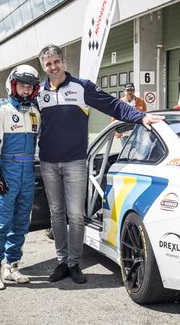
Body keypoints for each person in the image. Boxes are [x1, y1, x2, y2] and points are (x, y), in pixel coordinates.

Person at [37, 44, 163, 284]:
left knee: (75, 214)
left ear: (63, 62)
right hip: (48, 162)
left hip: (75, 161)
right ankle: (61, 261)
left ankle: (74, 263)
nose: (53, 67)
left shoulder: (82, 87)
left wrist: (141, 116)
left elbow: (111, 104)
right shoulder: (37, 93)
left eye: (56, 62)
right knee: (56, 213)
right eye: (48, 64)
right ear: (43, 67)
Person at [0, 65, 41, 290]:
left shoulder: (36, 113)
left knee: (21, 223)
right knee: (1, 224)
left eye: (29, 87)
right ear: (12, 86)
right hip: (7, 172)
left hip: (28, 173)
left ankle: (12, 266)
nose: (25, 91)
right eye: (22, 86)